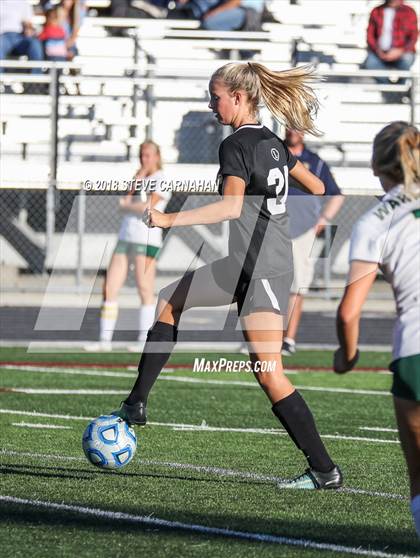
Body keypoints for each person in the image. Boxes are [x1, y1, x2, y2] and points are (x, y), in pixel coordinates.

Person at [113, 62, 343, 490]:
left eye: (215, 96)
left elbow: (232, 208)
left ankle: (325, 470)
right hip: (248, 262)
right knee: (170, 298)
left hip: (261, 269)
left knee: (268, 370)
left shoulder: (235, 144)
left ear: (238, 98)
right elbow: (315, 186)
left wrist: (167, 219)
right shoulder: (271, 141)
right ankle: (136, 403)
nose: (210, 104)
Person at [334, 122, 419, 533]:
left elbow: (350, 312)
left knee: (419, 483)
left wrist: (348, 357)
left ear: (375, 164)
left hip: (414, 352)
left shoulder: (373, 221)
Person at [88, 141, 167, 351]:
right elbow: (124, 203)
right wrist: (137, 181)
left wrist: (128, 206)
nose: (145, 159)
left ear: (157, 156)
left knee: (144, 287)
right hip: (126, 237)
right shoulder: (139, 177)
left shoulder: (161, 179)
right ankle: (104, 341)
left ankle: (143, 340)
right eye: (142, 155)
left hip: (146, 239)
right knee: (109, 287)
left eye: (148, 155)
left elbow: (148, 206)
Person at [281, 129, 344, 356]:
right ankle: (264, 338)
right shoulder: (272, 154)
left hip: (302, 231)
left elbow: (336, 194)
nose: (292, 130)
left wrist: (324, 219)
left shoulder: (314, 162)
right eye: (289, 124)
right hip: (273, 229)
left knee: (297, 285)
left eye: (297, 125)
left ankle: (288, 339)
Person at [363, 0, 418, 97]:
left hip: (402, 52)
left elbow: (413, 36)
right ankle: (395, 92)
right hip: (380, 52)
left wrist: (400, 51)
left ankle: (398, 90)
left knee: (407, 59)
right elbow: (370, 35)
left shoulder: (409, 12)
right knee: (370, 63)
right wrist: (378, 51)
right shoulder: (376, 11)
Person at [0, 0, 44, 74]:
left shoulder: (23, 3)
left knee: (35, 44)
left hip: (20, 37)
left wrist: (28, 29)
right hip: (3, 36)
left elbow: (28, 23)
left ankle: (36, 80)